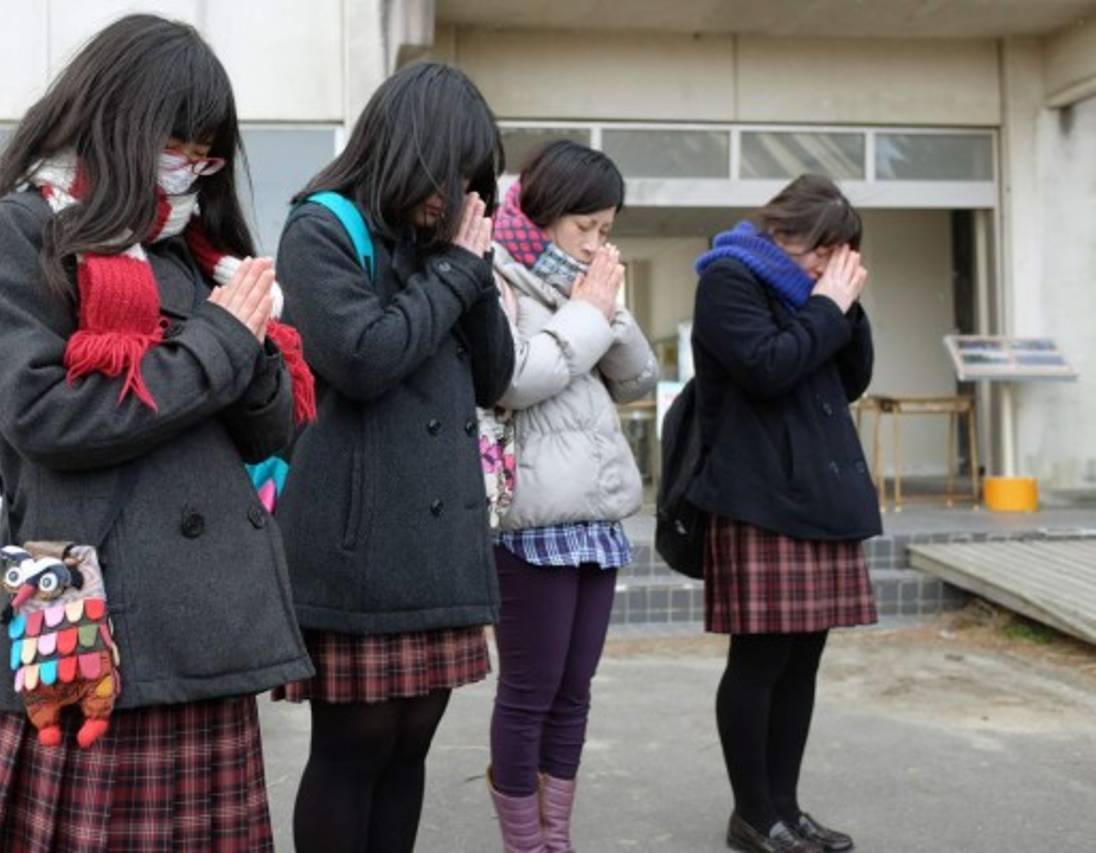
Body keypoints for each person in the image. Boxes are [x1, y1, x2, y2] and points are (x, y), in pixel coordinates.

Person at [0, 14, 313, 850]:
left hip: (207, 621)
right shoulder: (28, 231)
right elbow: (44, 414)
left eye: (206, 149)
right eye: (175, 138)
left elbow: (269, 430)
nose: (189, 163)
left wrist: (255, 338)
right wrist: (221, 341)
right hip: (96, 622)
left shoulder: (197, 250)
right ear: (115, 118)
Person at [274, 61, 515, 853]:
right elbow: (362, 356)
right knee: (354, 747)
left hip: (439, 546)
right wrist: (454, 270)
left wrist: (473, 272)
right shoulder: (321, 228)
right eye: (457, 175)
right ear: (413, 153)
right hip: (358, 546)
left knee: (412, 741)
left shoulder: (444, 246)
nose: (460, 196)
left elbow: (495, 374)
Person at [688, 174, 879, 853]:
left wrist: (845, 309)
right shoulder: (728, 277)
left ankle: (788, 810)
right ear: (787, 231)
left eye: (838, 254)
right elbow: (767, 367)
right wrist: (826, 306)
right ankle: (753, 814)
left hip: (820, 495)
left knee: (803, 659)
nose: (826, 265)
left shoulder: (817, 296)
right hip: (759, 497)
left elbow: (850, 378)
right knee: (760, 659)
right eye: (821, 249)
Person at [485, 140, 657, 852]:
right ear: (544, 212)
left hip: (593, 513)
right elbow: (512, 378)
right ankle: (525, 842)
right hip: (527, 518)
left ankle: (558, 837)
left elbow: (641, 374)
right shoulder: (492, 270)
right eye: (584, 226)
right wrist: (585, 310)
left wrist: (604, 306)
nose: (595, 241)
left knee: (575, 691)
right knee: (530, 691)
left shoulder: (587, 282)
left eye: (607, 230)